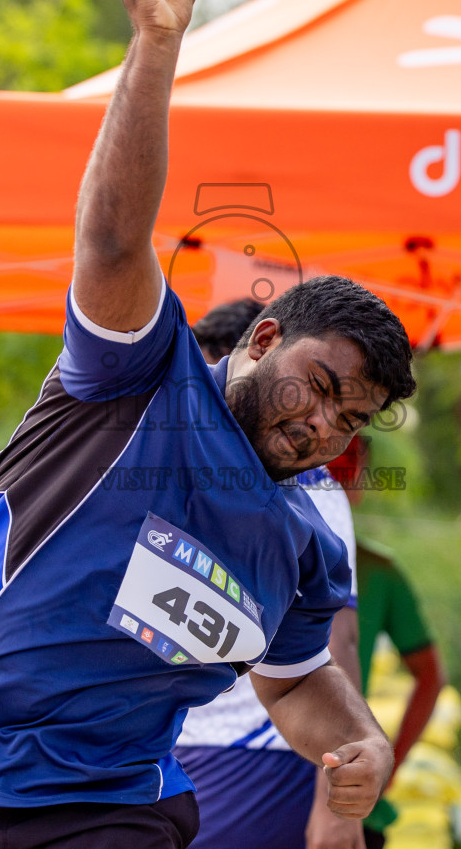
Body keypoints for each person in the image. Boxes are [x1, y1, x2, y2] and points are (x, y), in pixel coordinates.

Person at [0, 0, 416, 849]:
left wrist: (360, 744)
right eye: (319, 385)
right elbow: (110, 237)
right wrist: (155, 45)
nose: (324, 426)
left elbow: (296, 681)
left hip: (110, 807)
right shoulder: (138, 372)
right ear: (263, 336)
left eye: (354, 418)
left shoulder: (303, 542)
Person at [176, 298, 368, 849]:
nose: (206, 397)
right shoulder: (175, 463)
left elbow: (338, 642)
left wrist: (335, 808)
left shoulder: (309, 489)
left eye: (221, 377)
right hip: (165, 742)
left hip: (258, 749)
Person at [332, 436, 446, 849]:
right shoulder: (254, 552)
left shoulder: (378, 573)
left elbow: (430, 675)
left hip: (342, 792)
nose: (330, 467)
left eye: (346, 454)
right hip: (253, 782)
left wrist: (386, 765)